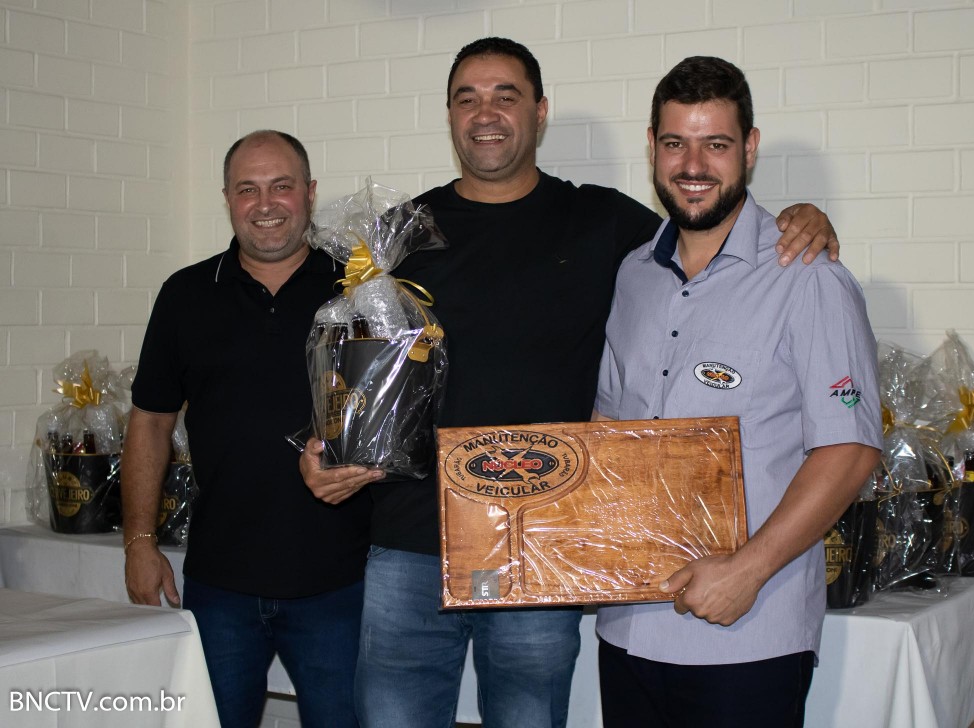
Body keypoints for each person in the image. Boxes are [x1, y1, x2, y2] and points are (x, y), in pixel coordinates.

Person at [301, 38, 841, 728]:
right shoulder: (396, 233)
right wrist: (326, 449)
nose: (486, 113)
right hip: (410, 543)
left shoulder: (605, 222)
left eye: (506, 96)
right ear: (450, 116)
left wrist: (798, 220)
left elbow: (708, 230)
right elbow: (345, 362)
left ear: (540, 112)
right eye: (468, 98)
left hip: (546, 544)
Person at [593, 56, 882, 728]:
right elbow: (608, 430)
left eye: (716, 144)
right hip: (627, 627)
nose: (693, 164)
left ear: (749, 148)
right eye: (676, 142)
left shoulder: (808, 277)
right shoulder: (633, 275)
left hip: (746, 636)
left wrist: (748, 571)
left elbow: (849, 450)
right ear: (652, 146)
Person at [121, 130, 376, 728]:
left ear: (310, 193)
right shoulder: (186, 295)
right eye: (247, 189)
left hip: (341, 584)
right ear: (228, 199)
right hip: (220, 585)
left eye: (281, 186)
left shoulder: (361, 290)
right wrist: (139, 542)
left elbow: (398, 420)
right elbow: (151, 421)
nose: (265, 204)